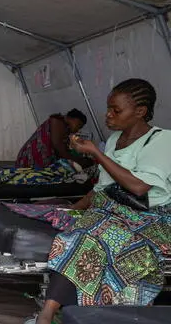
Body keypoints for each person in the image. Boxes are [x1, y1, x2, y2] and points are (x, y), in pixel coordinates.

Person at [35, 79, 171, 324]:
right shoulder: (113, 140)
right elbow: (102, 190)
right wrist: (71, 210)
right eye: (108, 108)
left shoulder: (162, 140)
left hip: (150, 219)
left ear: (140, 112)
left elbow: (139, 187)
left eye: (116, 110)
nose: (108, 115)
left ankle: (53, 313)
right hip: (111, 210)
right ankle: (48, 312)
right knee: (78, 235)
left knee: (94, 236)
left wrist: (96, 154)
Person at [15, 108, 93, 169]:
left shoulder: (65, 130)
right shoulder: (57, 121)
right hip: (30, 159)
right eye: (79, 125)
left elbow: (63, 151)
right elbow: (58, 146)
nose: (78, 129)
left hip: (39, 161)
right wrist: (79, 161)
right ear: (71, 118)